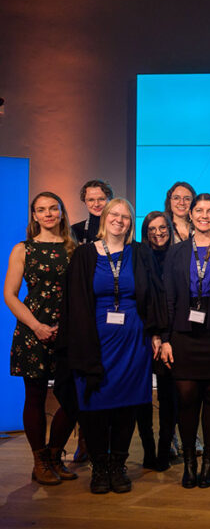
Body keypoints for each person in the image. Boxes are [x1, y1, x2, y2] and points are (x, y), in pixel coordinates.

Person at [63, 198, 166, 494]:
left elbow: (154, 296)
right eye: (114, 215)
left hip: (134, 340)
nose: (119, 220)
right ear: (104, 218)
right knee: (94, 406)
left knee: (127, 406)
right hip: (93, 341)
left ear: (131, 224)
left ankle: (118, 466)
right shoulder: (84, 254)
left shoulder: (140, 253)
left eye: (125, 217)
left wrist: (156, 335)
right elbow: (74, 302)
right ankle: (99, 467)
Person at [161, 194, 210, 489]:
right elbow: (168, 297)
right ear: (190, 215)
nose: (204, 215)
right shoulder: (177, 252)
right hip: (183, 334)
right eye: (199, 210)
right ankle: (189, 464)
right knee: (186, 397)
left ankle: (209, 460)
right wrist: (166, 338)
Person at [5, 192, 79, 484]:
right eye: (41, 210)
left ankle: (54, 454)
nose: (48, 214)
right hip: (32, 330)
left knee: (73, 399)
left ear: (61, 212)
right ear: (34, 216)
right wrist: (36, 326)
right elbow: (10, 295)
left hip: (68, 333)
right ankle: (39, 462)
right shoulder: (23, 249)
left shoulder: (75, 248)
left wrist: (69, 326)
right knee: (34, 398)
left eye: (53, 209)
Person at [133, 211, 175, 471]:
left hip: (170, 336)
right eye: (152, 228)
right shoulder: (136, 256)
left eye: (162, 228)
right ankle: (148, 450)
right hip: (142, 335)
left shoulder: (179, 255)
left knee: (170, 396)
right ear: (144, 231)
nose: (158, 233)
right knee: (141, 396)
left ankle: (163, 450)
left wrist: (165, 335)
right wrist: (151, 333)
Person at [71, 180, 113, 244]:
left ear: (110, 200)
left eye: (101, 199)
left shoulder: (119, 227)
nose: (96, 204)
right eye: (91, 200)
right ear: (85, 202)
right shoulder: (75, 230)